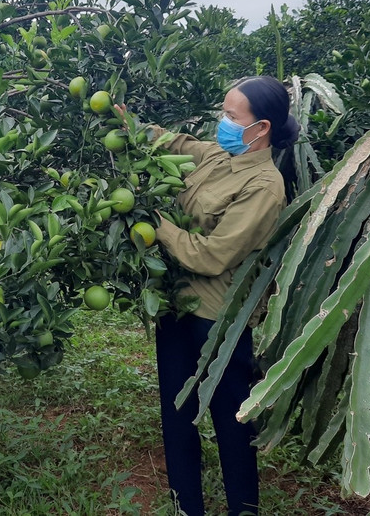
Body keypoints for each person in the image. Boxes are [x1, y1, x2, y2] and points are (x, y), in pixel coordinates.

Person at [148, 76, 300, 516]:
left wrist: (155, 223)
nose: (223, 123)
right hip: (177, 305)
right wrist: (129, 126)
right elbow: (177, 143)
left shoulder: (264, 187)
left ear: (261, 127)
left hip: (218, 320)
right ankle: (186, 506)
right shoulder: (218, 155)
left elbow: (212, 256)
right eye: (224, 113)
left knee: (231, 418)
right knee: (176, 413)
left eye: (232, 117)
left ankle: (244, 508)